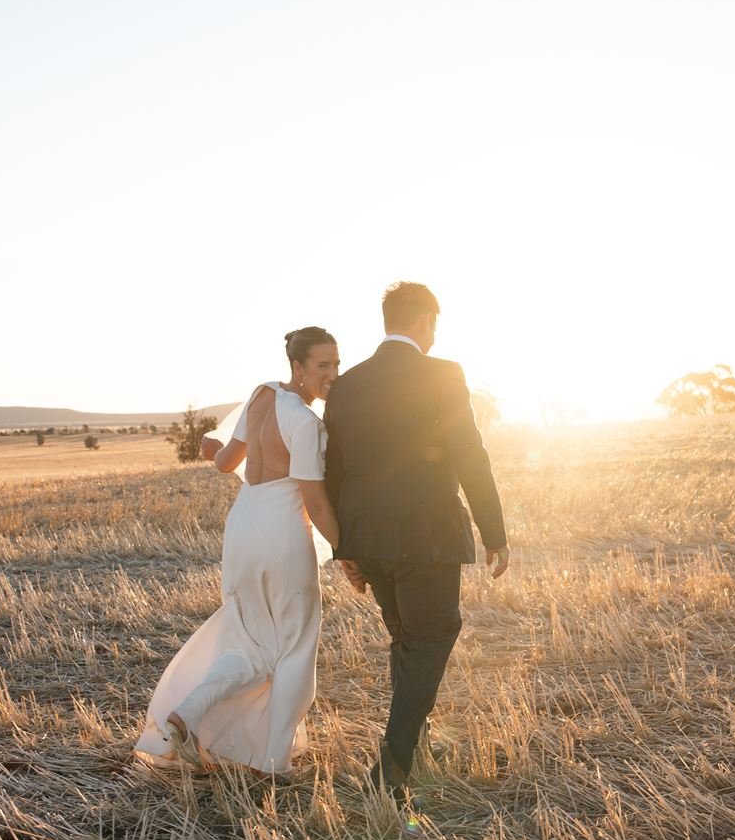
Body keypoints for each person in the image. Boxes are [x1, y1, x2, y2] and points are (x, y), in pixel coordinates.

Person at [324, 282, 508, 803]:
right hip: (426, 535)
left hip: (367, 536)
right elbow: (470, 453)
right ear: (426, 321)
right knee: (432, 635)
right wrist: (494, 532)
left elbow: (332, 470)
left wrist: (346, 547)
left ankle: (417, 741)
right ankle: (393, 768)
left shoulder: (348, 384)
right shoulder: (443, 373)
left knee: (407, 637)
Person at [133, 327, 341, 773]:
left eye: (337, 364)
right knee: (295, 648)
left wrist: (214, 448)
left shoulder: (260, 394)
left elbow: (226, 461)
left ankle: (186, 714)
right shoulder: (307, 423)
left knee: (251, 642)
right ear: (298, 368)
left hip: (244, 526)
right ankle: (274, 763)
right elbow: (315, 501)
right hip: (283, 533)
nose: (333, 374)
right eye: (323, 366)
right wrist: (349, 553)